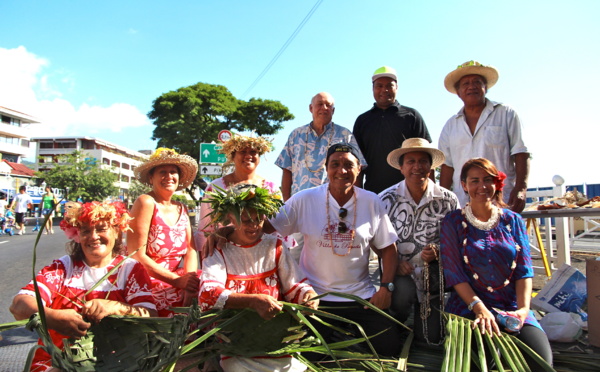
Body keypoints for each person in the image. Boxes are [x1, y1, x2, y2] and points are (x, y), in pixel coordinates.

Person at [270, 143, 401, 357]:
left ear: (359, 169)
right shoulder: (305, 199)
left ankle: (345, 332)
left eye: (348, 165)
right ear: (326, 168)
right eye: (335, 164)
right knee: (311, 355)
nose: (341, 171)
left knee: (389, 347)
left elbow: (388, 248)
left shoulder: (371, 201)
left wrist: (386, 288)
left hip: (361, 297)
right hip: (315, 297)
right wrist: (228, 231)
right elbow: (267, 227)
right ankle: (338, 334)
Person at [10, 201, 157, 371]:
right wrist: (52, 317)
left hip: (117, 363)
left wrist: (117, 307)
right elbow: (18, 306)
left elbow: (150, 317)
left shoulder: (130, 269)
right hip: (57, 362)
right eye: (86, 231)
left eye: (102, 229)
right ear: (77, 235)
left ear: (117, 232)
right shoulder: (63, 268)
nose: (93, 236)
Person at [440, 158, 552, 370]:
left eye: (487, 180)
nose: (482, 186)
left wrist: (522, 310)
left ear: (497, 183)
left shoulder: (513, 220)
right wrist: (480, 309)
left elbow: (524, 270)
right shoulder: (453, 221)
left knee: (542, 362)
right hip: (469, 308)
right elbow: (454, 274)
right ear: (464, 185)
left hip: (512, 306)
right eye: (474, 181)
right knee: (482, 361)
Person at [200, 184, 318, 371]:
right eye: (246, 220)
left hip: (276, 342)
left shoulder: (274, 245)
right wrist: (252, 301)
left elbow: (294, 285)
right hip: (236, 346)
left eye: (259, 219)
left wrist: (307, 296)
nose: (254, 226)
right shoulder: (219, 249)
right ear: (230, 217)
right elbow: (208, 294)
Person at [379, 138, 459, 344]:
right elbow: (375, 242)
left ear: (431, 167)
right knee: (402, 294)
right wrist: (394, 264)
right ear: (401, 167)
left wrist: (439, 251)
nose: (417, 167)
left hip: (433, 277)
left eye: (423, 161)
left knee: (430, 338)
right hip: (398, 275)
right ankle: (397, 320)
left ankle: (424, 320)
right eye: (410, 161)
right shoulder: (385, 199)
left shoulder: (448, 200)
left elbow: (457, 240)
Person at [439, 60, 530, 213]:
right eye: (465, 84)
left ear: (485, 88)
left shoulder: (505, 113)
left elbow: (521, 152)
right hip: (462, 204)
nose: (471, 86)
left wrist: (521, 188)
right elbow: (447, 166)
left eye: (477, 82)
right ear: (458, 92)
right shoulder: (450, 125)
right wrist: (441, 200)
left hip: (501, 202)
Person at [128, 148, 200, 316]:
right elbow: (136, 254)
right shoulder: (146, 202)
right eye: (162, 172)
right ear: (151, 177)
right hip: (148, 280)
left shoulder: (181, 207)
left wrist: (189, 282)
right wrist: (177, 281)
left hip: (179, 279)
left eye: (173, 172)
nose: (169, 177)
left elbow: (191, 250)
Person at [195, 134, 292, 251]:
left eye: (253, 152)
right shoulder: (215, 187)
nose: (248, 156)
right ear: (232, 156)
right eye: (242, 151)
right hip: (225, 251)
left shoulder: (271, 188)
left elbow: (279, 224)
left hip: (263, 252)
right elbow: (206, 228)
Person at [354, 66, 432, 194]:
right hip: (373, 193)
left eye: (389, 86)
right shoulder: (362, 121)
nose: (384, 90)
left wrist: (430, 192)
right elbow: (358, 162)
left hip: (409, 193)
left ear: (397, 87)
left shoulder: (412, 116)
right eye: (379, 86)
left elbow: (427, 156)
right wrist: (357, 195)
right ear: (373, 89)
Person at [275, 92, 366, 201]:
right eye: (320, 104)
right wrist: (287, 203)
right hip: (299, 203)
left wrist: (355, 202)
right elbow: (287, 170)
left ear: (333, 110)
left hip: (334, 203)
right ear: (311, 108)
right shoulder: (296, 135)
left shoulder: (345, 135)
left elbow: (357, 170)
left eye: (328, 105)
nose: (324, 108)